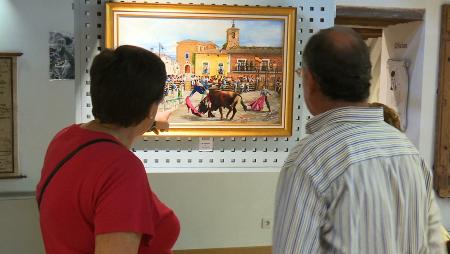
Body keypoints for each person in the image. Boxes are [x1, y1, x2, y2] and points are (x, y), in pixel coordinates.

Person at [273, 27, 446, 253]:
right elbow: (433, 245)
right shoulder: (407, 150)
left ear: (310, 80)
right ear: (366, 78)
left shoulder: (309, 160)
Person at [36, 45, 180, 254]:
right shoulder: (122, 169)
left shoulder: (64, 138)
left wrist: (153, 122)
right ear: (151, 108)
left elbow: (114, 131)